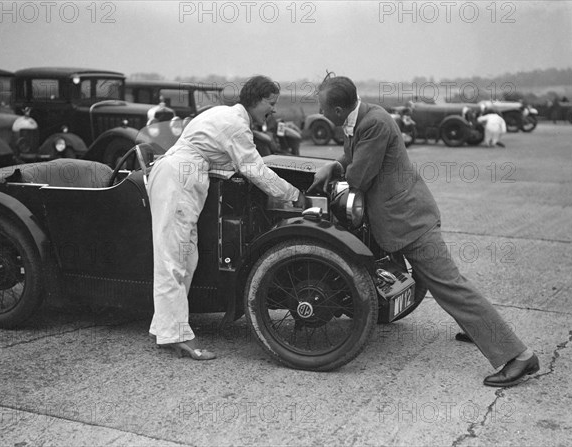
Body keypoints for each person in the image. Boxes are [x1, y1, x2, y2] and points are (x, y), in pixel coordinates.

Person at [308, 75, 539, 387]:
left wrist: (340, 174)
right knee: (450, 283)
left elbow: (359, 176)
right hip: (402, 217)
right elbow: (354, 155)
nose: (320, 113)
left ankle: (518, 356)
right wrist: (333, 165)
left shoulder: (373, 123)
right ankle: (480, 330)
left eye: (322, 107)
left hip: (410, 221)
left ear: (337, 109)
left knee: (451, 287)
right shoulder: (362, 117)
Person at [146, 75, 306, 360]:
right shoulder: (235, 125)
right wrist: (293, 194)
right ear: (255, 101)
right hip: (178, 179)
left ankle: (166, 328)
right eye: (271, 103)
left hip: (181, 177)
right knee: (174, 259)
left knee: (185, 257)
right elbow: (254, 169)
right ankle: (177, 337)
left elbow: (223, 161)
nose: (274, 110)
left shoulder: (224, 114)